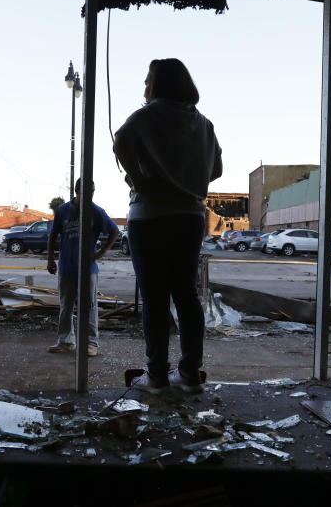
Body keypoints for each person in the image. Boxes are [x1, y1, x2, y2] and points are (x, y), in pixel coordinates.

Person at [114, 58, 222, 394]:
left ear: (158, 84)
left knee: (155, 298)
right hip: (191, 215)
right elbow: (216, 169)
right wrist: (187, 176)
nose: (144, 86)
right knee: (187, 295)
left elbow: (120, 141)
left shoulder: (146, 116)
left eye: (148, 80)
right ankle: (190, 373)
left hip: (150, 215)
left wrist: (139, 176)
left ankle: (157, 375)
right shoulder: (203, 124)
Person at [46, 179, 119, 357]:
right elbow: (53, 235)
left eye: (93, 190)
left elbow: (114, 231)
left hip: (88, 269)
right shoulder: (63, 210)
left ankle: (91, 344)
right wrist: (50, 259)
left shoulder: (96, 211)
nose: (91, 194)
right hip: (66, 266)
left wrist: (100, 253)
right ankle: (66, 341)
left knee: (89, 306)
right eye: (87, 190)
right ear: (77, 190)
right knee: (66, 305)